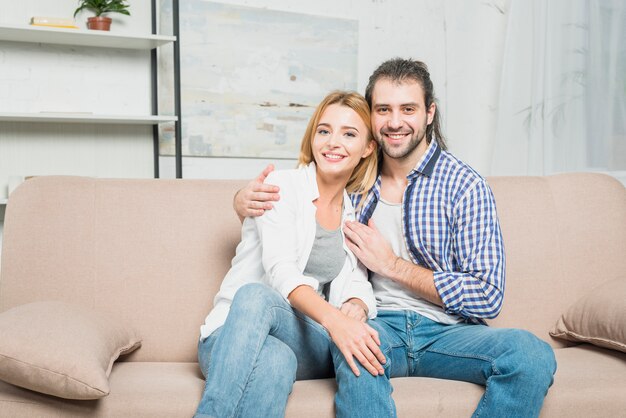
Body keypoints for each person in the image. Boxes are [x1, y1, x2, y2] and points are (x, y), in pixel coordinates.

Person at [234, 58, 557, 417]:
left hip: (449, 333)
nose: (395, 122)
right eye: (383, 109)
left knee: (531, 354)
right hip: (377, 324)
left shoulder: (465, 186)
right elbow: (296, 207)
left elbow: (488, 296)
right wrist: (242, 203)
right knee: (352, 344)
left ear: (429, 113)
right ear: (371, 119)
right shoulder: (353, 180)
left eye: (408, 109)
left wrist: (393, 266)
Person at [195, 90, 396, 418]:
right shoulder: (280, 187)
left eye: (349, 134)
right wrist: (337, 323)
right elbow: (280, 271)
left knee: (273, 330)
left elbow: (359, 279)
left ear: (368, 147)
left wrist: (357, 304)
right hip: (230, 336)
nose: (333, 142)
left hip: (306, 338)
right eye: (324, 130)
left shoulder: (355, 210)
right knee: (275, 355)